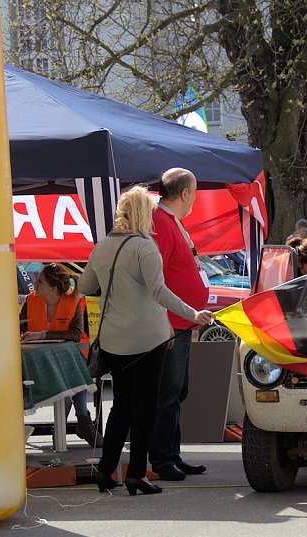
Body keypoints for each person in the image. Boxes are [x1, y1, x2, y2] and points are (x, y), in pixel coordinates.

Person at [78, 187, 213, 496]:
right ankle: (137, 473)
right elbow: (159, 292)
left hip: (113, 338)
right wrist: (193, 313)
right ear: (144, 213)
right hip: (147, 338)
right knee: (145, 407)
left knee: (121, 406)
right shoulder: (144, 246)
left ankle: (106, 470)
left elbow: (86, 285)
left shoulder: (102, 246)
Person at [150, 168, 213, 481]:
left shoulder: (170, 222)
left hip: (181, 323)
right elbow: (155, 279)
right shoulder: (161, 223)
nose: (195, 198)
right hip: (171, 325)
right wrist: (163, 322)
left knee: (177, 391)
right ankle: (162, 459)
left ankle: (171, 455)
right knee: (168, 393)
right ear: (185, 193)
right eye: (195, 191)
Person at [19, 263, 102, 448]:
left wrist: (42, 335)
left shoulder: (73, 302)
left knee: (70, 375)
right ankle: (82, 421)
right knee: (69, 378)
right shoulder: (31, 300)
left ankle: (69, 425)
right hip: (42, 360)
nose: (35, 284)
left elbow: (76, 334)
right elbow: (18, 325)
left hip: (74, 358)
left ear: (53, 289)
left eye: (40, 281)